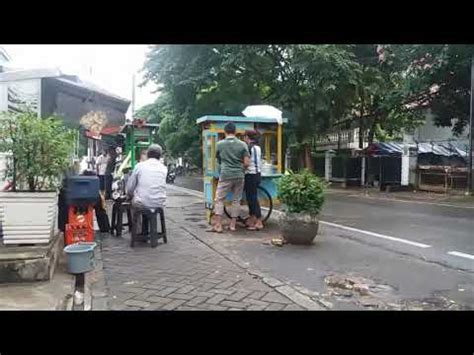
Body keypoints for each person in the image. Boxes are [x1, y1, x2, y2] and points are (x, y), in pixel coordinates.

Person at [208, 122, 250, 233]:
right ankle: (232, 225)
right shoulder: (243, 144)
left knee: (219, 199)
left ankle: (218, 225)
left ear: (225, 131)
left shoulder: (219, 144)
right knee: (236, 200)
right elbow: (246, 163)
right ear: (235, 132)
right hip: (239, 175)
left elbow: (218, 159)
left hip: (225, 174)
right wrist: (241, 170)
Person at [126, 144, 168, 232]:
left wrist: (129, 196)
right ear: (159, 156)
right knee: (145, 200)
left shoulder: (140, 166)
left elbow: (130, 188)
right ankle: (149, 231)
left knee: (134, 204)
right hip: (159, 202)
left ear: (148, 154)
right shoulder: (164, 168)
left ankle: (137, 232)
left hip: (143, 202)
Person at [243, 130, 264, 231]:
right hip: (257, 174)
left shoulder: (248, 148)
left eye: (244, 137)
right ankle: (252, 218)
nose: (243, 139)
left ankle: (259, 221)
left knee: (252, 199)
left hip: (250, 175)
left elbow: (246, 163)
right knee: (252, 197)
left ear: (247, 137)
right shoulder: (258, 147)